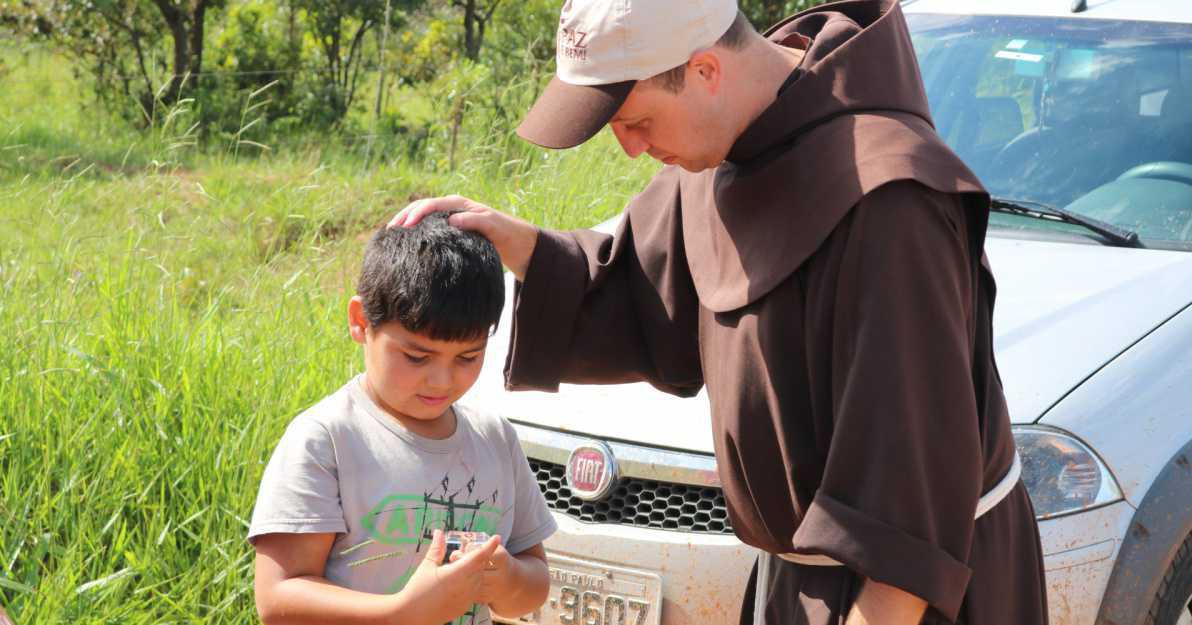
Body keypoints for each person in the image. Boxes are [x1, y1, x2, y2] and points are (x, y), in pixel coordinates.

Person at [393, 0, 1048, 623]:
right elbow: (645, 291)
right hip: (792, 575)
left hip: (905, 597)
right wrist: (525, 249)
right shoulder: (724, 141)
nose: (628, 147)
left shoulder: (890, 204)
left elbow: (910, 520)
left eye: (636, 119)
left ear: (706, 68)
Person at [247, 214, 556, 625]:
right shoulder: (327, 439)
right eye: (416, 356)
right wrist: (401, 613)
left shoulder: (495, 440)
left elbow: (532, 586)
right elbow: (278, 599)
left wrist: (504, 578)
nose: (441, 380)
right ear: (361, 322)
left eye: (468, 357)